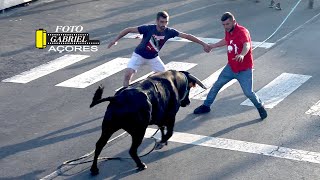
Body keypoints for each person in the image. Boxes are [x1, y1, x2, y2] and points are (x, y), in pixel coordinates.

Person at [193, 12, 267, 120]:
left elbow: (247, 44)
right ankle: (206, 106)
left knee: (248, 93)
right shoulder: (228, 31)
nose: (225, 27)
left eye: (227, 24)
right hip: (231, 67)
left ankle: (260, 106)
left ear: (233, 21)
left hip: (244, 70)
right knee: (216, 85)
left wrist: (242, 54)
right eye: (223, 25)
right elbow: (226, 40)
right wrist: (212, 46)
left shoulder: (242, 31)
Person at [108, 11, 211, 87]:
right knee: (127, 74)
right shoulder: (148, 28)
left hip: (153, 58)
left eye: (166, 22)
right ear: (157, 21)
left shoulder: (169, 31)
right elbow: (128, 29)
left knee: (167, 78)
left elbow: (187, 36)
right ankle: (126, 95)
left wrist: (203, 44)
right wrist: (115, 40)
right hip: (139, 55)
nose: (163, 25)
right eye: (161, 22)